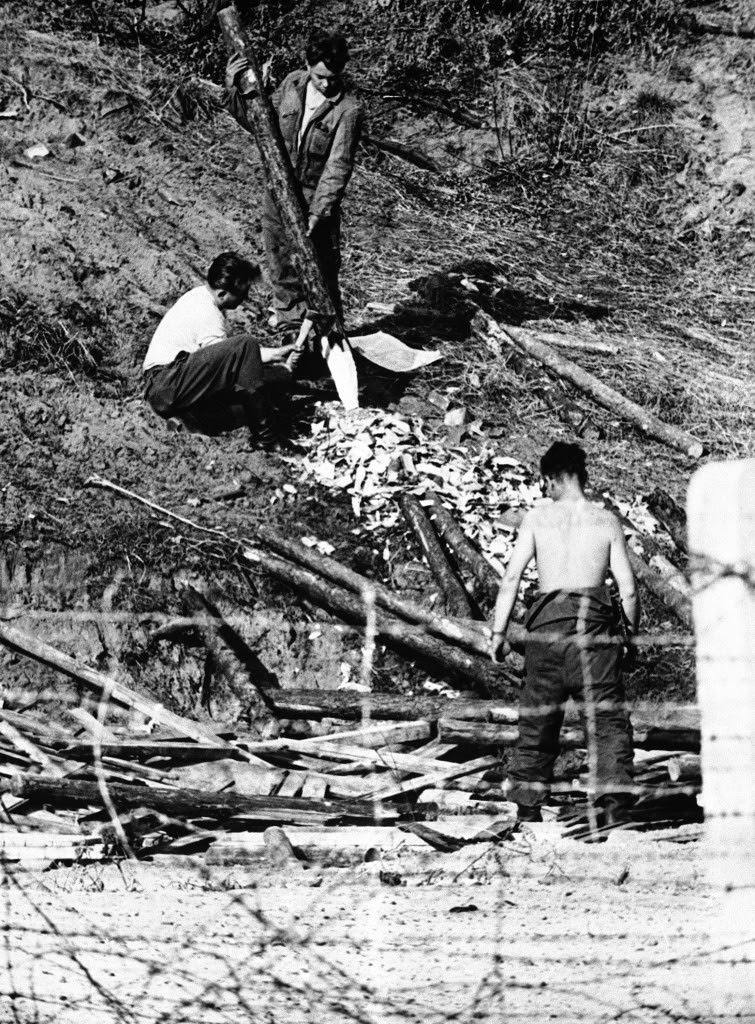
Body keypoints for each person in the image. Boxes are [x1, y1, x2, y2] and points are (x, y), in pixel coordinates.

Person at [489, 442, 640, 829]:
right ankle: (613, 807)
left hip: (546, 635)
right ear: (582, 475)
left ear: (552, 478)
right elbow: (628, 589)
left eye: (545, 483)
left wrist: (498, 632)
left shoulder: (537, 520)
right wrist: (630, 637)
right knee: (606, 722)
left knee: (538, 720)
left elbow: (510, 579)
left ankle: (527, 807)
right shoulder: (606, 521)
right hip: (593, 635)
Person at [224, 30, 365, 333]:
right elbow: (260, 124)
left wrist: (319, 211)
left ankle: (330, 335)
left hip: (315, 199)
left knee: (321, 273)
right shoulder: (292, 83)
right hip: (278, 190)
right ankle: (291, 330)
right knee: (280, 265)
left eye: (333, 76)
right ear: (307, 63)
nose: (326, 84)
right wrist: (232, 88)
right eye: (320, 76)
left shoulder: (348, 109)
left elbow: (338, 166)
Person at [143, 252, 294, 448]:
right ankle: (267, 438)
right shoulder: (206, 310)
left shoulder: (201, 298)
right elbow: (236, 359)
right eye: (242, 293)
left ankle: (188, 421)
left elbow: (234, 362)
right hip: (167, 381)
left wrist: (275, 353)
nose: (244, 299)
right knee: (246, 345)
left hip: (170, 387)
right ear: (222, 293)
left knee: (247, 406)